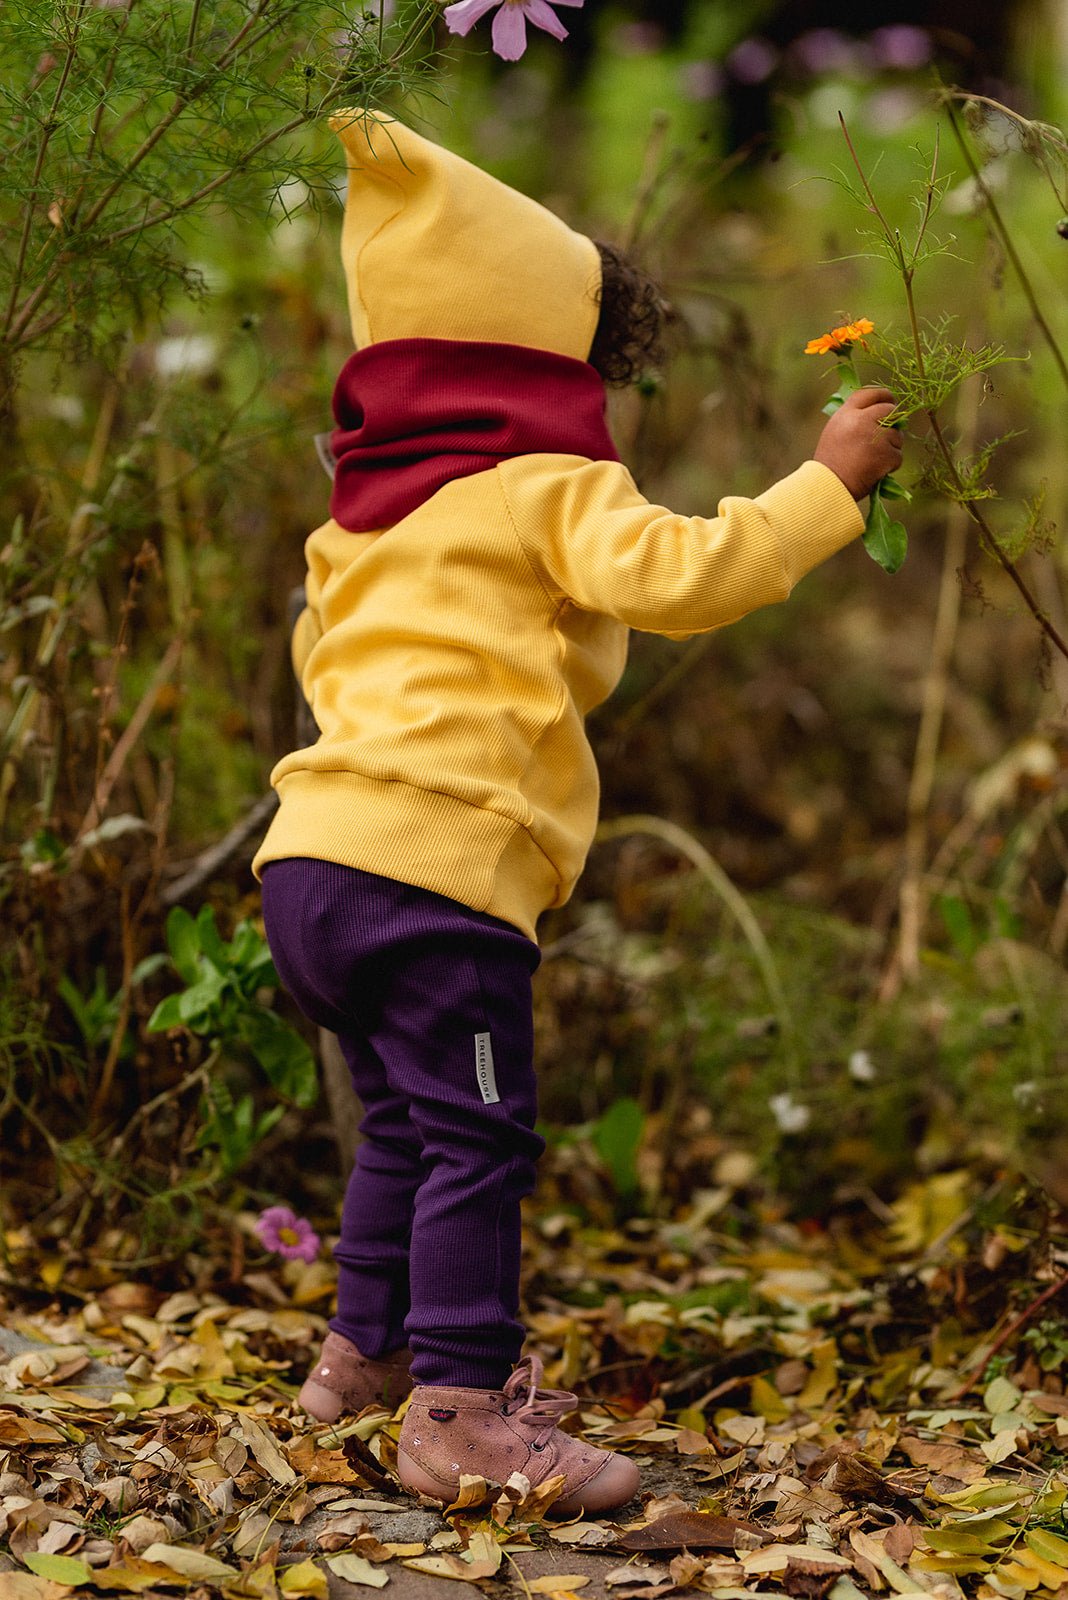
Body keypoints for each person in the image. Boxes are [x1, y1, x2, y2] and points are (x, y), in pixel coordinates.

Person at [253, 107, 902, 1514]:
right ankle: (462, 1415)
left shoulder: (364, 517)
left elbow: (324, 663)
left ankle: (360, 1360)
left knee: (411, 1127)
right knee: (480, 1137)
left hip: (309, 864)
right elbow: (676, 577)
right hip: (439, 875)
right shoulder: (541, 481)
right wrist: (823, 489)